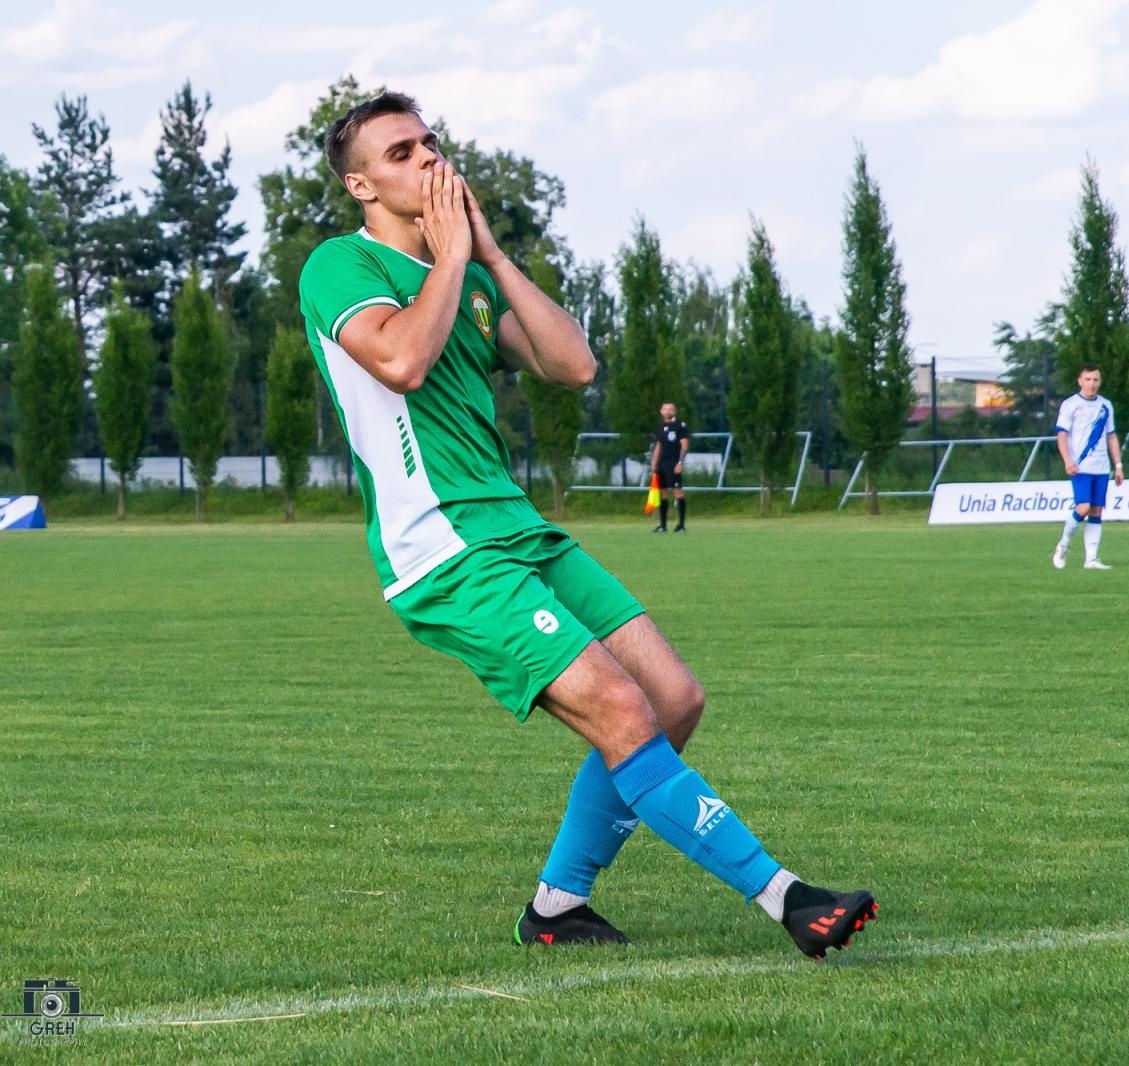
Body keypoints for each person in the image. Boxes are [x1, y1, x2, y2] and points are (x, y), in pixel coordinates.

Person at [297, 91, 877, 957]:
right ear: (360, 185)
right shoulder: (339, 265)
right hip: (443, 548)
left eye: (430, 143)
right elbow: (402, 360)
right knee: (619, 707)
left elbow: (574, 365)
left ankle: (557, 907)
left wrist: (485, 251)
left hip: (518, 528)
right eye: (401, 153)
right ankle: (789, 899)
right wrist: (453, 259)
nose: (427, 159)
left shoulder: (473, 272)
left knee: (675, 699)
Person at [1051, 365, 1124, 571]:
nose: (1092, 384)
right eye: (1088, 379)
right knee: (1082, 507)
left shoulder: (1106, 405)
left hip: (1101, 467)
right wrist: (1067, 461)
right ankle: (1063, 545)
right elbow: (1062, 435)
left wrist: (1118, 465)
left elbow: (1111, 435)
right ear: (1080, 381)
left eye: (1096, 380)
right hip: (1080, 466)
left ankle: (1091, 559)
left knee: (1096, 510)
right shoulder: (1070, 405)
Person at [650, 402, 689, 532]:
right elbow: (658, 446)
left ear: (674, 411)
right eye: (665, 409)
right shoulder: (661, 427)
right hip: (662, 464)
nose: (668, 411)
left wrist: (680, 462)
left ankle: (681, 525)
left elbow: (684, 445)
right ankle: (663, 525)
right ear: (661, 411)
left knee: (677, 491)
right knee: (662, 492)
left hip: (673, 463)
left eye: (670, 409)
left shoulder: (680, 426)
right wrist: (654, 465)